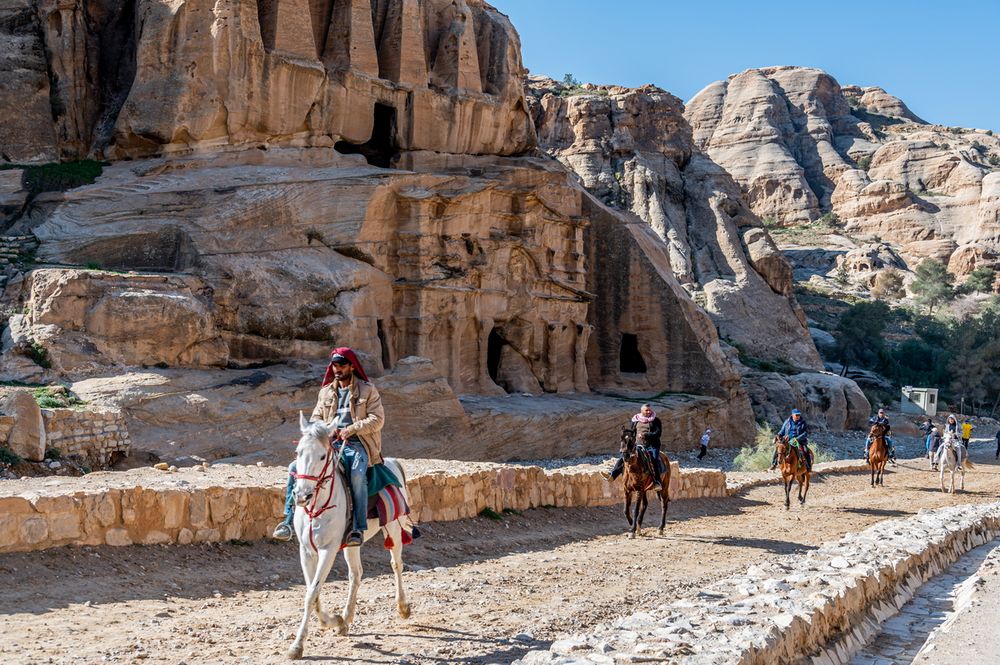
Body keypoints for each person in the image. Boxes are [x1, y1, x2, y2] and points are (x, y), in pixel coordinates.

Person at [272, 348, 385, 546]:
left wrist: (352, 429)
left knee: (358, 474)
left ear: (352, 366)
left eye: (342, 365)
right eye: (335, 366)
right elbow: (316, 417)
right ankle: (287, 520)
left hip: (357, 442)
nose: (337, 369)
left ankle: (358, 528)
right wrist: (324, 430)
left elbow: (377, 419)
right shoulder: (325, 392)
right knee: (293, 469)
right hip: (330, 442)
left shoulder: (368, 390)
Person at [604, 404, 663, 491]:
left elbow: (658, 433)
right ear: (641, 411)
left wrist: (646, 435)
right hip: (638, 445)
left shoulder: (656, 420)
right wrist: (626, 434)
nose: (649, 412)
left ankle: (657, 482)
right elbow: (632, 433)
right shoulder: (635, 420)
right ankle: (612, 475)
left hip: (652, 446)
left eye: (650, 410)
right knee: (623, 457)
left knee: (654, 460)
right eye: (646, 410)